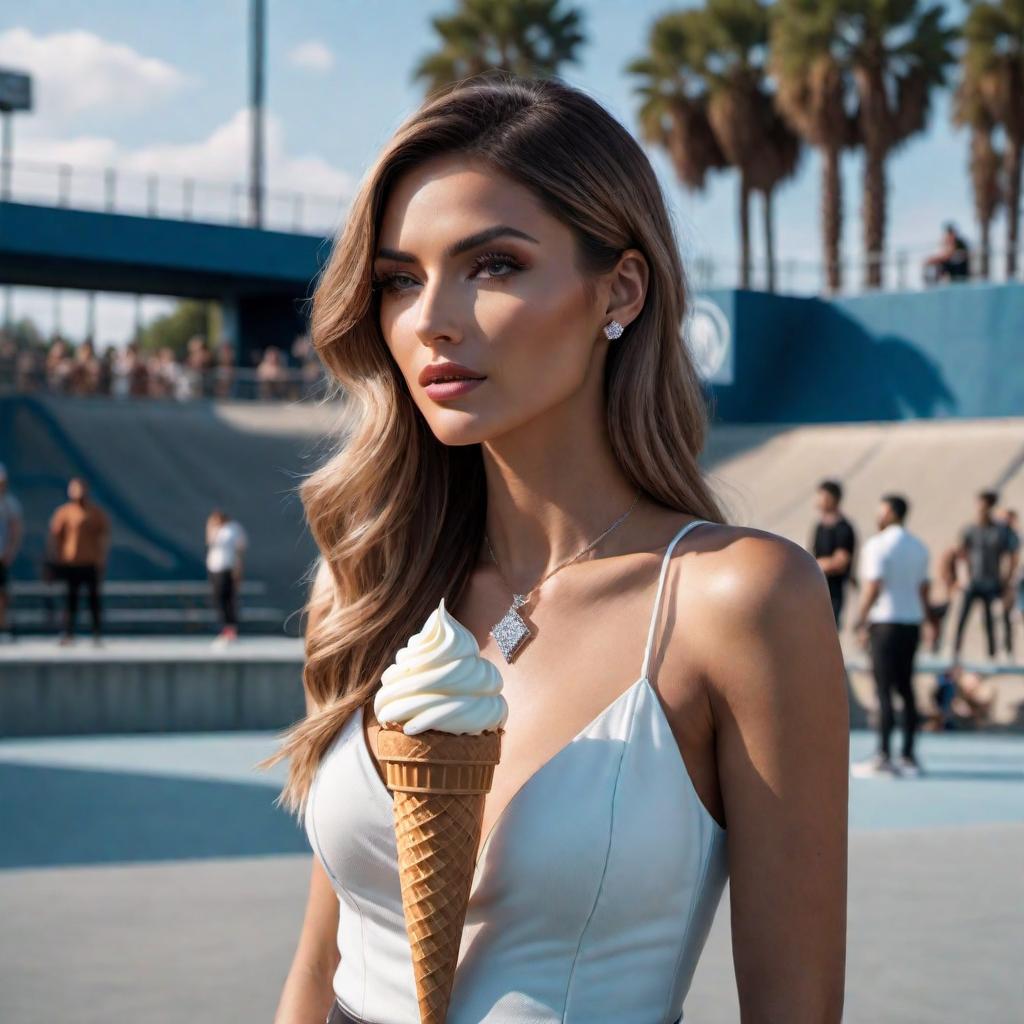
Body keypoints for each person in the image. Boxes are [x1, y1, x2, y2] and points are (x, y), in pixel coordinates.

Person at [260, 75, 848, 1024]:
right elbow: (317, 968)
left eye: (492, 265)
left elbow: (796, 1007)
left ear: (620, 288)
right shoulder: (368, 582)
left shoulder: (734, 600)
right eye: (400, 279)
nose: (431, 318)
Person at [851, 494, 934, 778]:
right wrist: (928, 621)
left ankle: (884, 754)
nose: (878, 515)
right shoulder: (919, 546)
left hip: (884, 623)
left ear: (891, 513)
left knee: (883, 689)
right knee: (907, 689)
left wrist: (860, 620)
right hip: (911, 623)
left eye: (881, 510)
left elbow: (873, 585)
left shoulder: (877, 545)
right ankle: (908, 755)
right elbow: (924, 589)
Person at [952, 490, 1015, 662]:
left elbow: (1010, 556)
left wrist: (1006, 579)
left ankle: (993, 652)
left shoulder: (999, 531)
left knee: (990, 618)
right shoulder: (970, 529)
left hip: (992, 580)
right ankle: (955, 651)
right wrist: (963, 576)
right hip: (973, 580)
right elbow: (961, 554)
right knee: (962, 617)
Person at [49, 477, 110, 645]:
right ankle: (68, 633)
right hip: (70, 563)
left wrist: (101, 558)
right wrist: (56, 557)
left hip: (90, 562)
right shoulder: (64, 513)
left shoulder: (95, 513)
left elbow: (103, 536)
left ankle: (96, 634)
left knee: (93, 601)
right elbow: (55, 536)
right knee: (70, 600)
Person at [810, 479, 857, 627]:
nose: (818, 501)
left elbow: (840, 562)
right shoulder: (819, 526)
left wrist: (810, 566)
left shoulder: (843, 527)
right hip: (816, 588)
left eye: (822, 496)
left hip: (833, 592)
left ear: (832, 499)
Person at [205, 508, 247, 645]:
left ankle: (231, 630)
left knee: (227, 598)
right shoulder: (215, 530)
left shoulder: (233, 529)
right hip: (214, 568)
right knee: (219, 599)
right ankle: (226, 629)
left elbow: (239, 550)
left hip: (228, 568)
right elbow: (210, 542)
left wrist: (238, 569)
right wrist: (211, 528)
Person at [0, 463, 23, 641]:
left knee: (2, 594)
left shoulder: (9, 503)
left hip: (1, 556)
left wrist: (10, 552)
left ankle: (3, 627)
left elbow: (15, 530)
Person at [994, 507, 1020, 661]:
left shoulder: (1013, 537)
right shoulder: (999, 535)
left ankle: (1008, 648)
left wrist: (1009, 582)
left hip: (1008, 582)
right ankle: (999, 648)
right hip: (996, 580)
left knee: (1006, 615)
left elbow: (1014, 560)